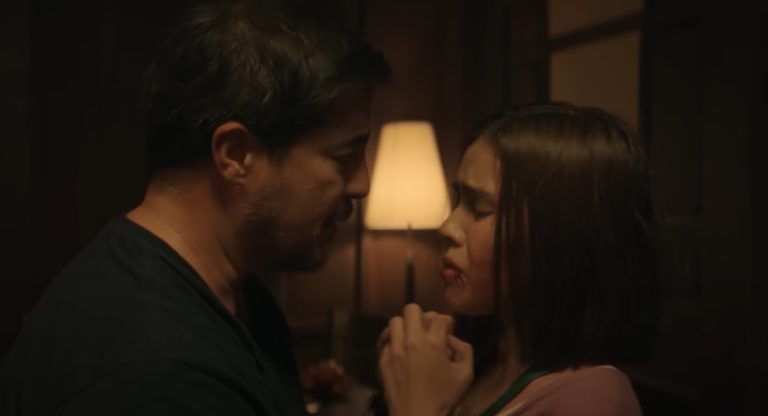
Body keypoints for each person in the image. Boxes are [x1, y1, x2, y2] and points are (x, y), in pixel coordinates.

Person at [0, 1, 393, 414]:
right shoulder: (154, 370)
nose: (362, 185)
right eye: (343, 157)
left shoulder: (232, 297)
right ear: (236, 155)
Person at [379, 103, 659, 415]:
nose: (447, 227)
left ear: (559, 238)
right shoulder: (476, 366)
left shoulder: (593, 402)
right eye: (458, 201)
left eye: (480, 209)